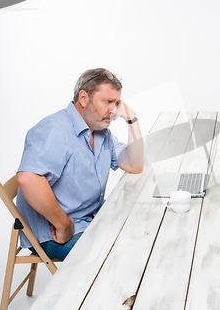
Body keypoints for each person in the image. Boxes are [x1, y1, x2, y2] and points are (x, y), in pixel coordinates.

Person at [16, 68, 144, 260]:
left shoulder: (101, 132)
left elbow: (135, 165)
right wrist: (63, 224)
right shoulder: (55, 130)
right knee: (121, 257)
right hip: (57, 234)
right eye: (108, 102)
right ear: (84, 98)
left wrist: (132, 119)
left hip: (91, 217)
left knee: (142, 230)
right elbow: (28, 179)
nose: (113, 110)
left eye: (116, 103)